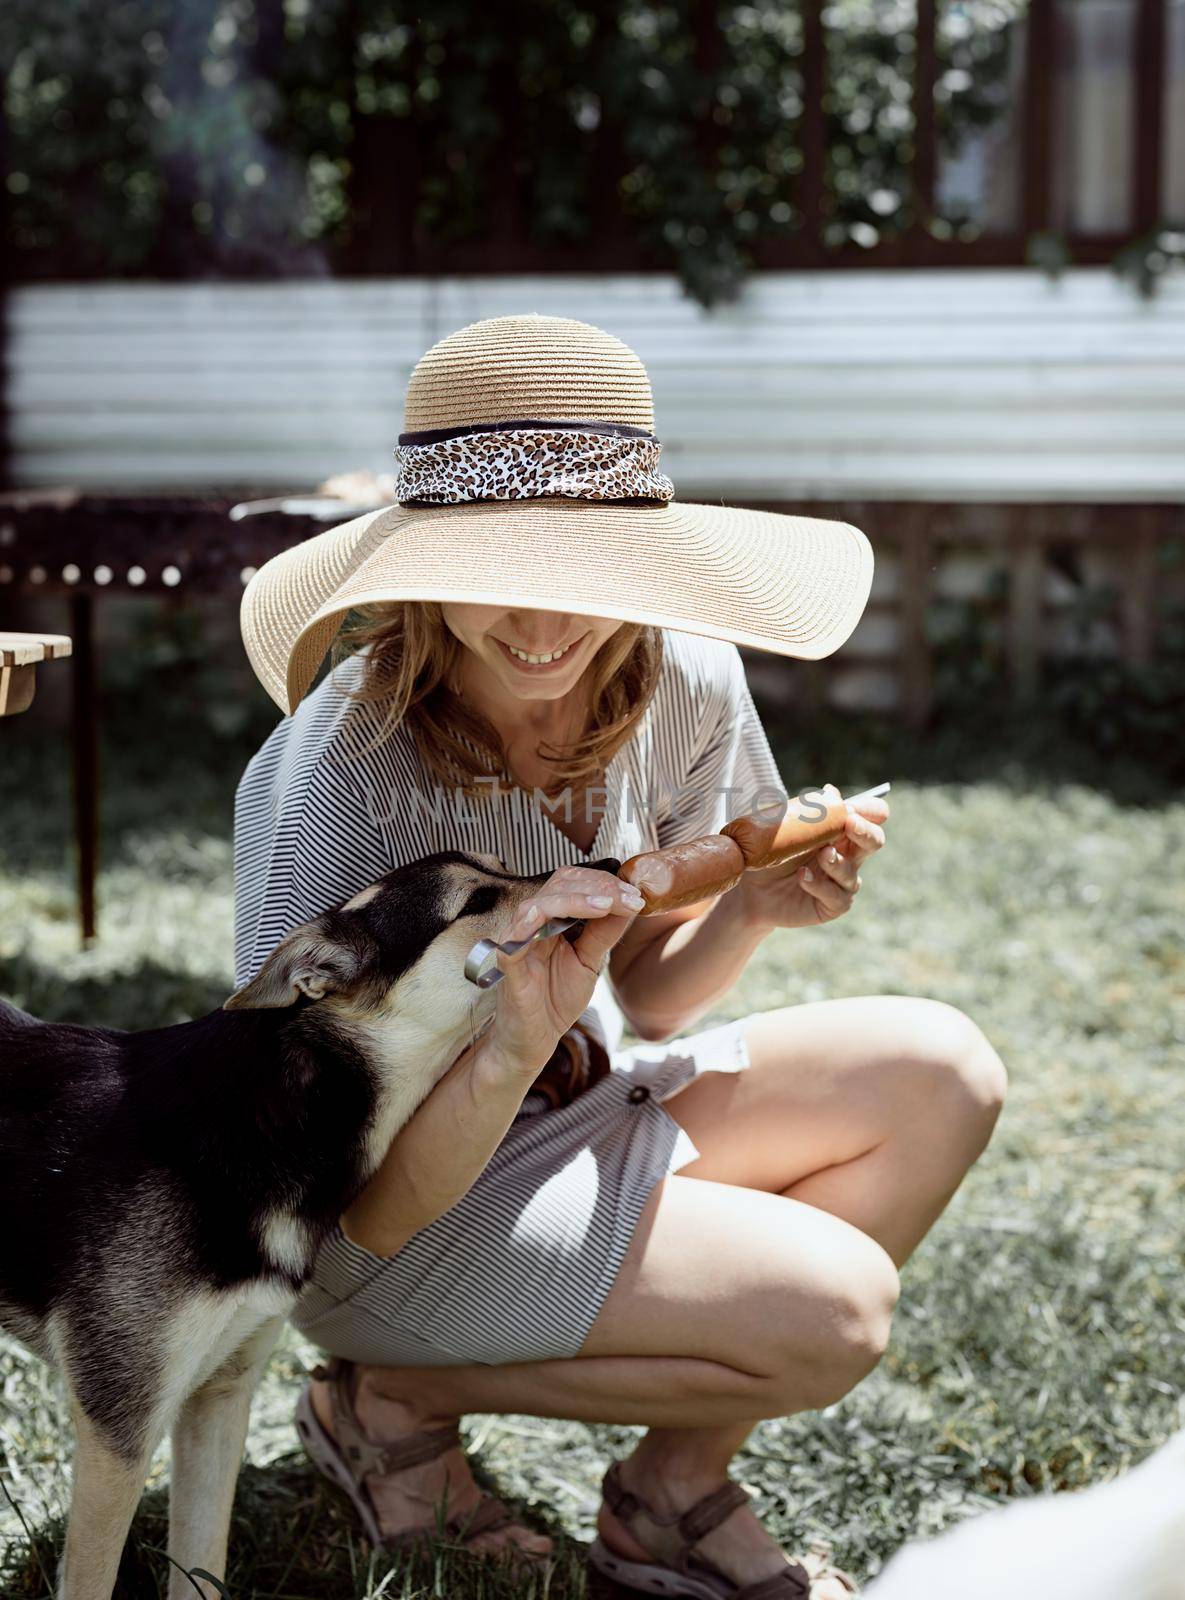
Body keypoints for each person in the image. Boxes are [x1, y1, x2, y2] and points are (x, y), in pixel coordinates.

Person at [232, 315, 1008, 1599]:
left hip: (573, 1111)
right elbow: (310, 1185)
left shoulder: (685, 678)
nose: (546, 623)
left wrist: (754, 909)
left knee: (942, 1067)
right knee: (835, 1315)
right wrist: (510, 1044)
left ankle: (672, 1492)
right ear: (421, 565)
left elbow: (647, 992)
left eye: (585, 564)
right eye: (499, 567)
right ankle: (392, 1394)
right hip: (380, 1221)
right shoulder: (344, 772)